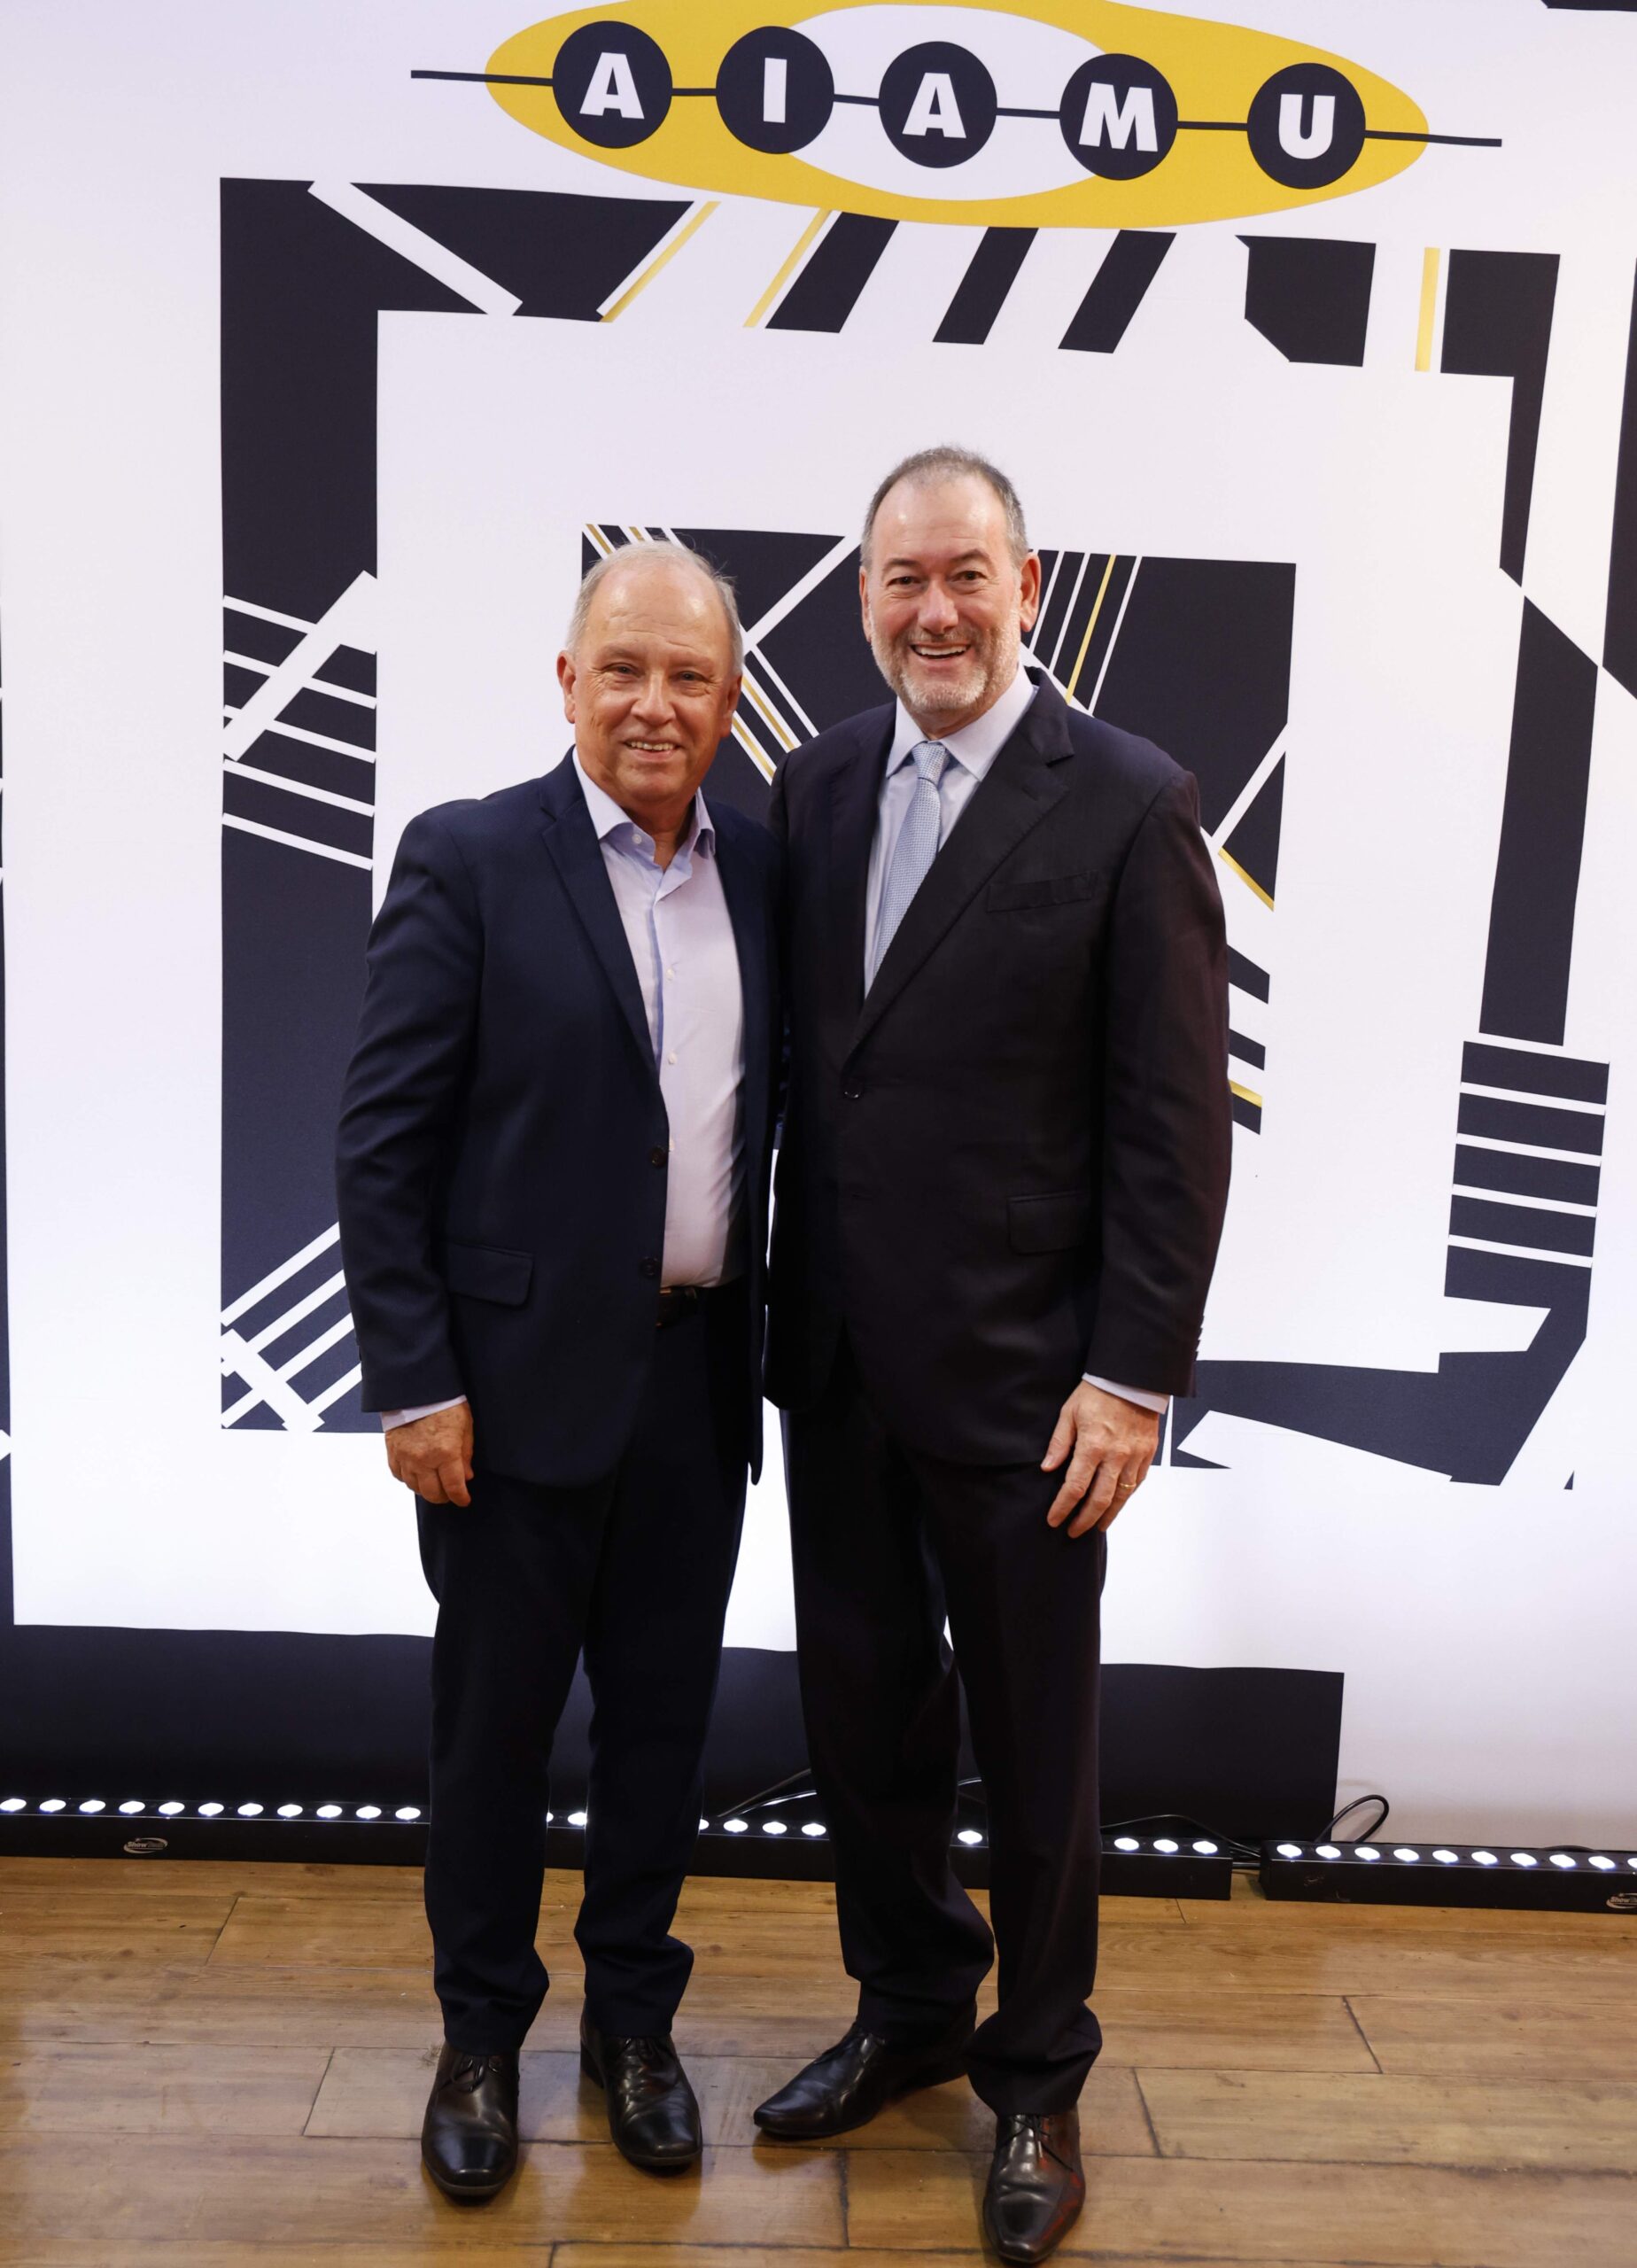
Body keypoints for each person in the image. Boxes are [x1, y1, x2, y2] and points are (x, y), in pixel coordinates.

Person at [755, 448, 1231, 2263]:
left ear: (1027, 585)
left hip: (1036, 1384)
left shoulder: (1129, 799)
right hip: (837, 1363)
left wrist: (1134, 1370)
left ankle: (1036, 2072)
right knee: (862, 1719)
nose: (935, 610)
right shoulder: (812, 786)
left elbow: (1174, 1123)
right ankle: (910, 2007)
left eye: (967, 573)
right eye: (903, 579)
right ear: (864, 598)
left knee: (1035, 1749)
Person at [336, 541, 780, 2203]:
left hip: (696, 1385)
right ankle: (478, 2039)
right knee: (495, 1737)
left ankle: (633, 2033)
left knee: (662, 1734)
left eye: (690, 676)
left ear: (729, 697)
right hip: (507, 1399)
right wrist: (413, 1381)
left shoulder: (767, 870)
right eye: (625, 671)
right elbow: (383, 1144)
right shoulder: (467, 858)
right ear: (568, 682)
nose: (657, 704)